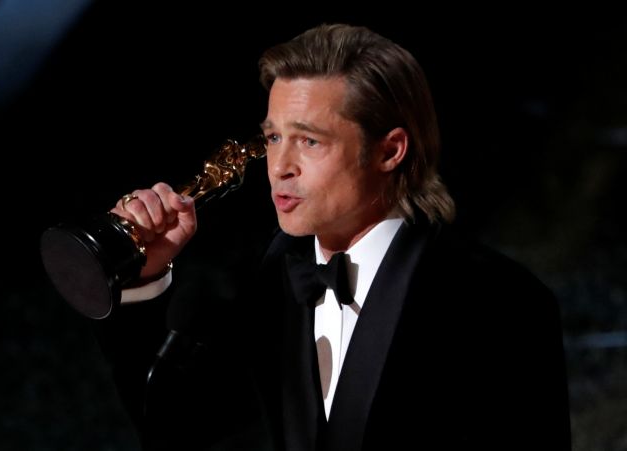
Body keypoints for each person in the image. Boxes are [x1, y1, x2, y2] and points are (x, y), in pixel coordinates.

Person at [95, 24, 571, 450]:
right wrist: (143, 278)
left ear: (390, 150)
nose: (280, 168)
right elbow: (176, 430)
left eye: (309, 140)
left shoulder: (502, 301)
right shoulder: (263, 286)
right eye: (274, 138)